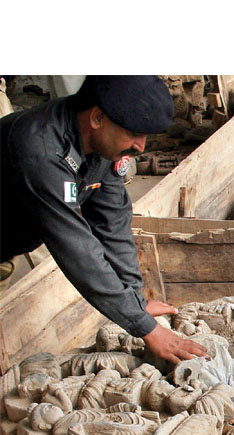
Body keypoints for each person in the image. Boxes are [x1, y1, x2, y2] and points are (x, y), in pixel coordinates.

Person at [1, 75, 208, 363]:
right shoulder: (41, 153)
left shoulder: (102, 147)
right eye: (134, 134)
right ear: (97, 117)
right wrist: (147, 329)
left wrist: (135, 300)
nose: (141, 146)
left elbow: (112, 222)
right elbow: (78, 250)